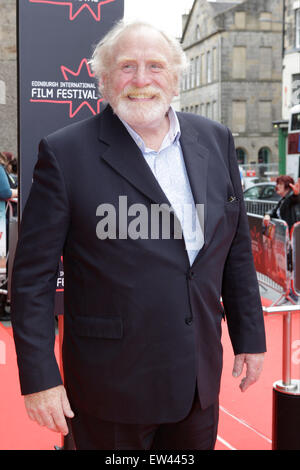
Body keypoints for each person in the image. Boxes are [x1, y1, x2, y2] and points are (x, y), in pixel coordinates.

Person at [11, 21, 266, 450]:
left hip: (197, 383)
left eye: (155, 66)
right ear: (104, 79)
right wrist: (39, 378)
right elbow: (32, 279)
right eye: (127, 67)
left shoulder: (215, 139)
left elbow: (235, 248)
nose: (142, 79)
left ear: (175, 76)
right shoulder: (65, 152)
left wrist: (250, 337)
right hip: (109, 389)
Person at [263, 175, 300, 303]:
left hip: (293, 238)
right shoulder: (283, 200)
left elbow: (295, 200)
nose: (276, 186)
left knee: (293, 266)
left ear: (287, 185)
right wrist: (267, 215)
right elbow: (274, 211)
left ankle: (293, 293)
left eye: (279, 183)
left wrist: (296, 194)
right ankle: (289, 292)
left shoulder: (291, 198)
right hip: (287, 239)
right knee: (288, 266)